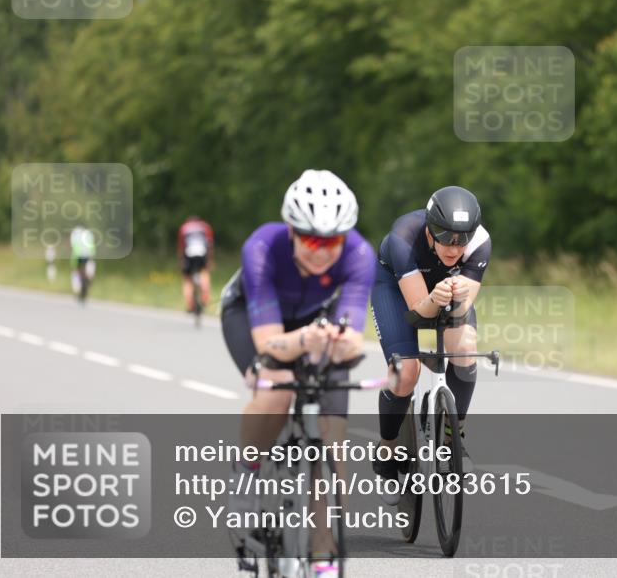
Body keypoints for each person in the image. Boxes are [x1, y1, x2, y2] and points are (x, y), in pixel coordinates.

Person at [220, 170, 375, 577]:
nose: (322, 251)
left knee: (333, 444)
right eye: (311, 240)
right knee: (278, 389)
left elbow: (353, 332)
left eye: (332, 241)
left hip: (314, 322)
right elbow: (270, 344)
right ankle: (247, 470)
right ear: (291, 231)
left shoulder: (359, 255)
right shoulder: (263, 246)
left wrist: (344, 342)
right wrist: (305, 339)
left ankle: (324, 558)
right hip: (253, 318)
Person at [371, 186, 491, 500]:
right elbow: (417, 315)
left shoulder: (480, 243)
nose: (454, 248)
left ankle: (455, 435)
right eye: (445, 237)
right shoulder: (403, 237)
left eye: (461, 239)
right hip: (396, 291)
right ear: (429, 228)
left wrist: (455, 300)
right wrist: (434, 300)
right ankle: (387, 452)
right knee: (406, 372)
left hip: (442, 294)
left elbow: (462, 309)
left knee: (464, 345)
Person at [177, 215, 215, 312]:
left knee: (187, 279)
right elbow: (210, 245)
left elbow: (181, 247)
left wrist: (181, 261)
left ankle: (190, 304)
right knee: (204, 273)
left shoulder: (184, 227)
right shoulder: (205, 226)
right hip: (202, 253)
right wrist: (210, 260)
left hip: (188, 254)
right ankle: (205, 297)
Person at [69, 225, 96, 302]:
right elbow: (92, 246)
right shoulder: (89, 234)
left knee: (76, 271)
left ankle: (77, 289)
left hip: (77, 256)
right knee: (88, 272)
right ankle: (88, 281)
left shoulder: (74, 233)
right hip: (88, 255)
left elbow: (72, 246)